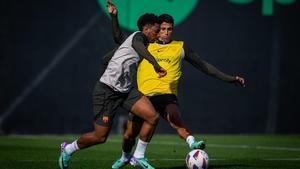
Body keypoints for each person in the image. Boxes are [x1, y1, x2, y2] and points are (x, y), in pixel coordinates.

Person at [106, 2, 245, 169]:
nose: (165, 33)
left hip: (167, 94)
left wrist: (230, 78)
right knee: (129, 135)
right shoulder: (145, 44)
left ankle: (191, 143)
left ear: (173, 29)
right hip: (143, 96)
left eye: (169, 29)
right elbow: (119, 38)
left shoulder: (180, 47)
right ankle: (124, 157)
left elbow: (204, 66)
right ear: (157, 30)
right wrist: (114, 17)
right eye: (162, 29)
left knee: (175, 117)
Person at [58, 12, 167, 169]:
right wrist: (156, 65)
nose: (158, 35)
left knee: (153, 117)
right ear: (146, 29)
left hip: (126, 91)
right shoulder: (138, 37)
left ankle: (139, 156)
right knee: (100, 137)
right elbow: (137, 46)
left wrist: (114, 17)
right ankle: (68, 149)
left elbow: (116, 39)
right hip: (107, 92)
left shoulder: (134, 43)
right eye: (157, 31)